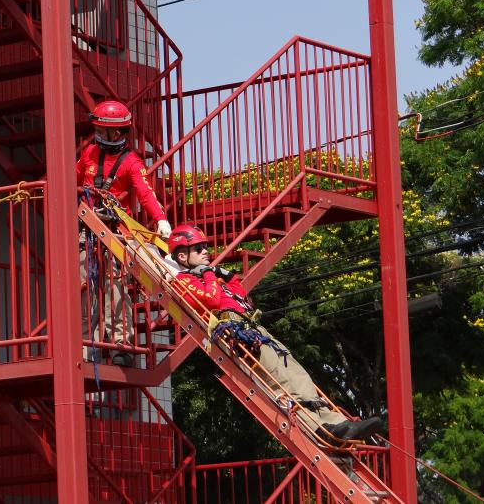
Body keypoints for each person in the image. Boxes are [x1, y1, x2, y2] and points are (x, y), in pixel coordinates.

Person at [166, 224, 384, 441]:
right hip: (236, 331)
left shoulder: (208, 276)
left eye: (205, 246)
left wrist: (225, 274)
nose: (206, 251)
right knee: (280, 379)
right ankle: (316, 427)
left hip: (252, 326)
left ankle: (336, 423)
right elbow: (212, 300)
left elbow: (239, 293)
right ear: (183, 256)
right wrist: (209, 275)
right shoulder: (184, 280)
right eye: (198, 248)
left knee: (297, 373)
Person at [77, 100, 172, 367]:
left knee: (116, 289)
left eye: (102, 129)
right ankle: (87, 346)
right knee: (84, 290)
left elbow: (146, 192)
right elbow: (72, 180)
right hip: (87, 231)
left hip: (116, 234)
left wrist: (161, 219)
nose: (98, 133)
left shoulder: (132, 162)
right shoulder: (88, 154)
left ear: (117, 133)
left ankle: (122, 346)